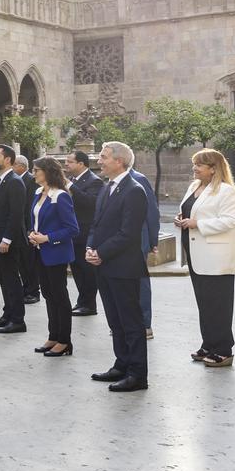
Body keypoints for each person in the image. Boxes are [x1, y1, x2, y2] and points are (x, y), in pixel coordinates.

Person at [87, 141, 151, 393]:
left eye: (103, 157)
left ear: (119, 161)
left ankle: (137, 375)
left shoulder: (134, 190)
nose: (99, 161)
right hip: (104, 266)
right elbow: (97, 224)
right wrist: (90, 248)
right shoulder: (106, 188)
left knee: (131, 323)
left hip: (124, 268)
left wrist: (100, 252)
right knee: (115, 321)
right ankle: (121, 364)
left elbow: (129, 233)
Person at [174, 149, 235, 368]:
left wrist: (197, 224)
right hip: (194, 254)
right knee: (204, 303)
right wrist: (182, 218)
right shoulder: (194, 187)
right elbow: (190, 210)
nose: (195, 168)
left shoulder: (226, 191)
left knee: (219, 304)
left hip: (215, 257)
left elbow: (229, 221)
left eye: (199, 165)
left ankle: (223, 350)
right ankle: (209, 344)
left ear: (213, 168)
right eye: (194, 164)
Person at [28, 157, 80, 358]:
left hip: (56, 253)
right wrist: (32, 234)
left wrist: (47, 238)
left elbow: (72, 229)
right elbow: (34, 221)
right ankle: (53, 336)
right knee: (49, 295)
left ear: (47, 172)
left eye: (36, 170)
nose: (34, 173)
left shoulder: (61, 196)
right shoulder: (37, 193)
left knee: (59, 296)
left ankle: (65, 341)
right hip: (40, 251)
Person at [0, 145, 28, 334]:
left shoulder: (15, 181)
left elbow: (16, 214)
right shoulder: (1, 180)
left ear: (8, 159)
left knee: (11, 280)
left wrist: (7, 239)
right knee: (4, 279)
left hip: (8, 241)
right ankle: (7, 314)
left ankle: (18, 320)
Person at [64, 150, 102, 316]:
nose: (66, 165)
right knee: (77, 269)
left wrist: (70, 186)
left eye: (70, 162)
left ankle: (90, 304)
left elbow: (89, 203)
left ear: (81, 164)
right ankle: (82, 301)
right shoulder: (72, 180)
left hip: (85, 233)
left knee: (87, 271)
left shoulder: (95, 181)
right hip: (73, 233)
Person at [128, 162, 161, 338]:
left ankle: (144, 324)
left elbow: (151, 212)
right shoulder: (110, 182)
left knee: (140, 282)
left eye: (104, 156)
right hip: (120, 242)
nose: (100, 161)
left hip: (137, 240)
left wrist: (153, 239)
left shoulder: (138, 179)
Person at [13, 155, 40, 304]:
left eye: (14, 164)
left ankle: (33, 291)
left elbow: (30, 206)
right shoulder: (18, 179)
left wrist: (30, 229)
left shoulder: (30, 180)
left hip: (28, 228)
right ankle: (26, 288)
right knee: (22, 262)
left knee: (29, 262)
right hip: (20, 228)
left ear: (21, 166)